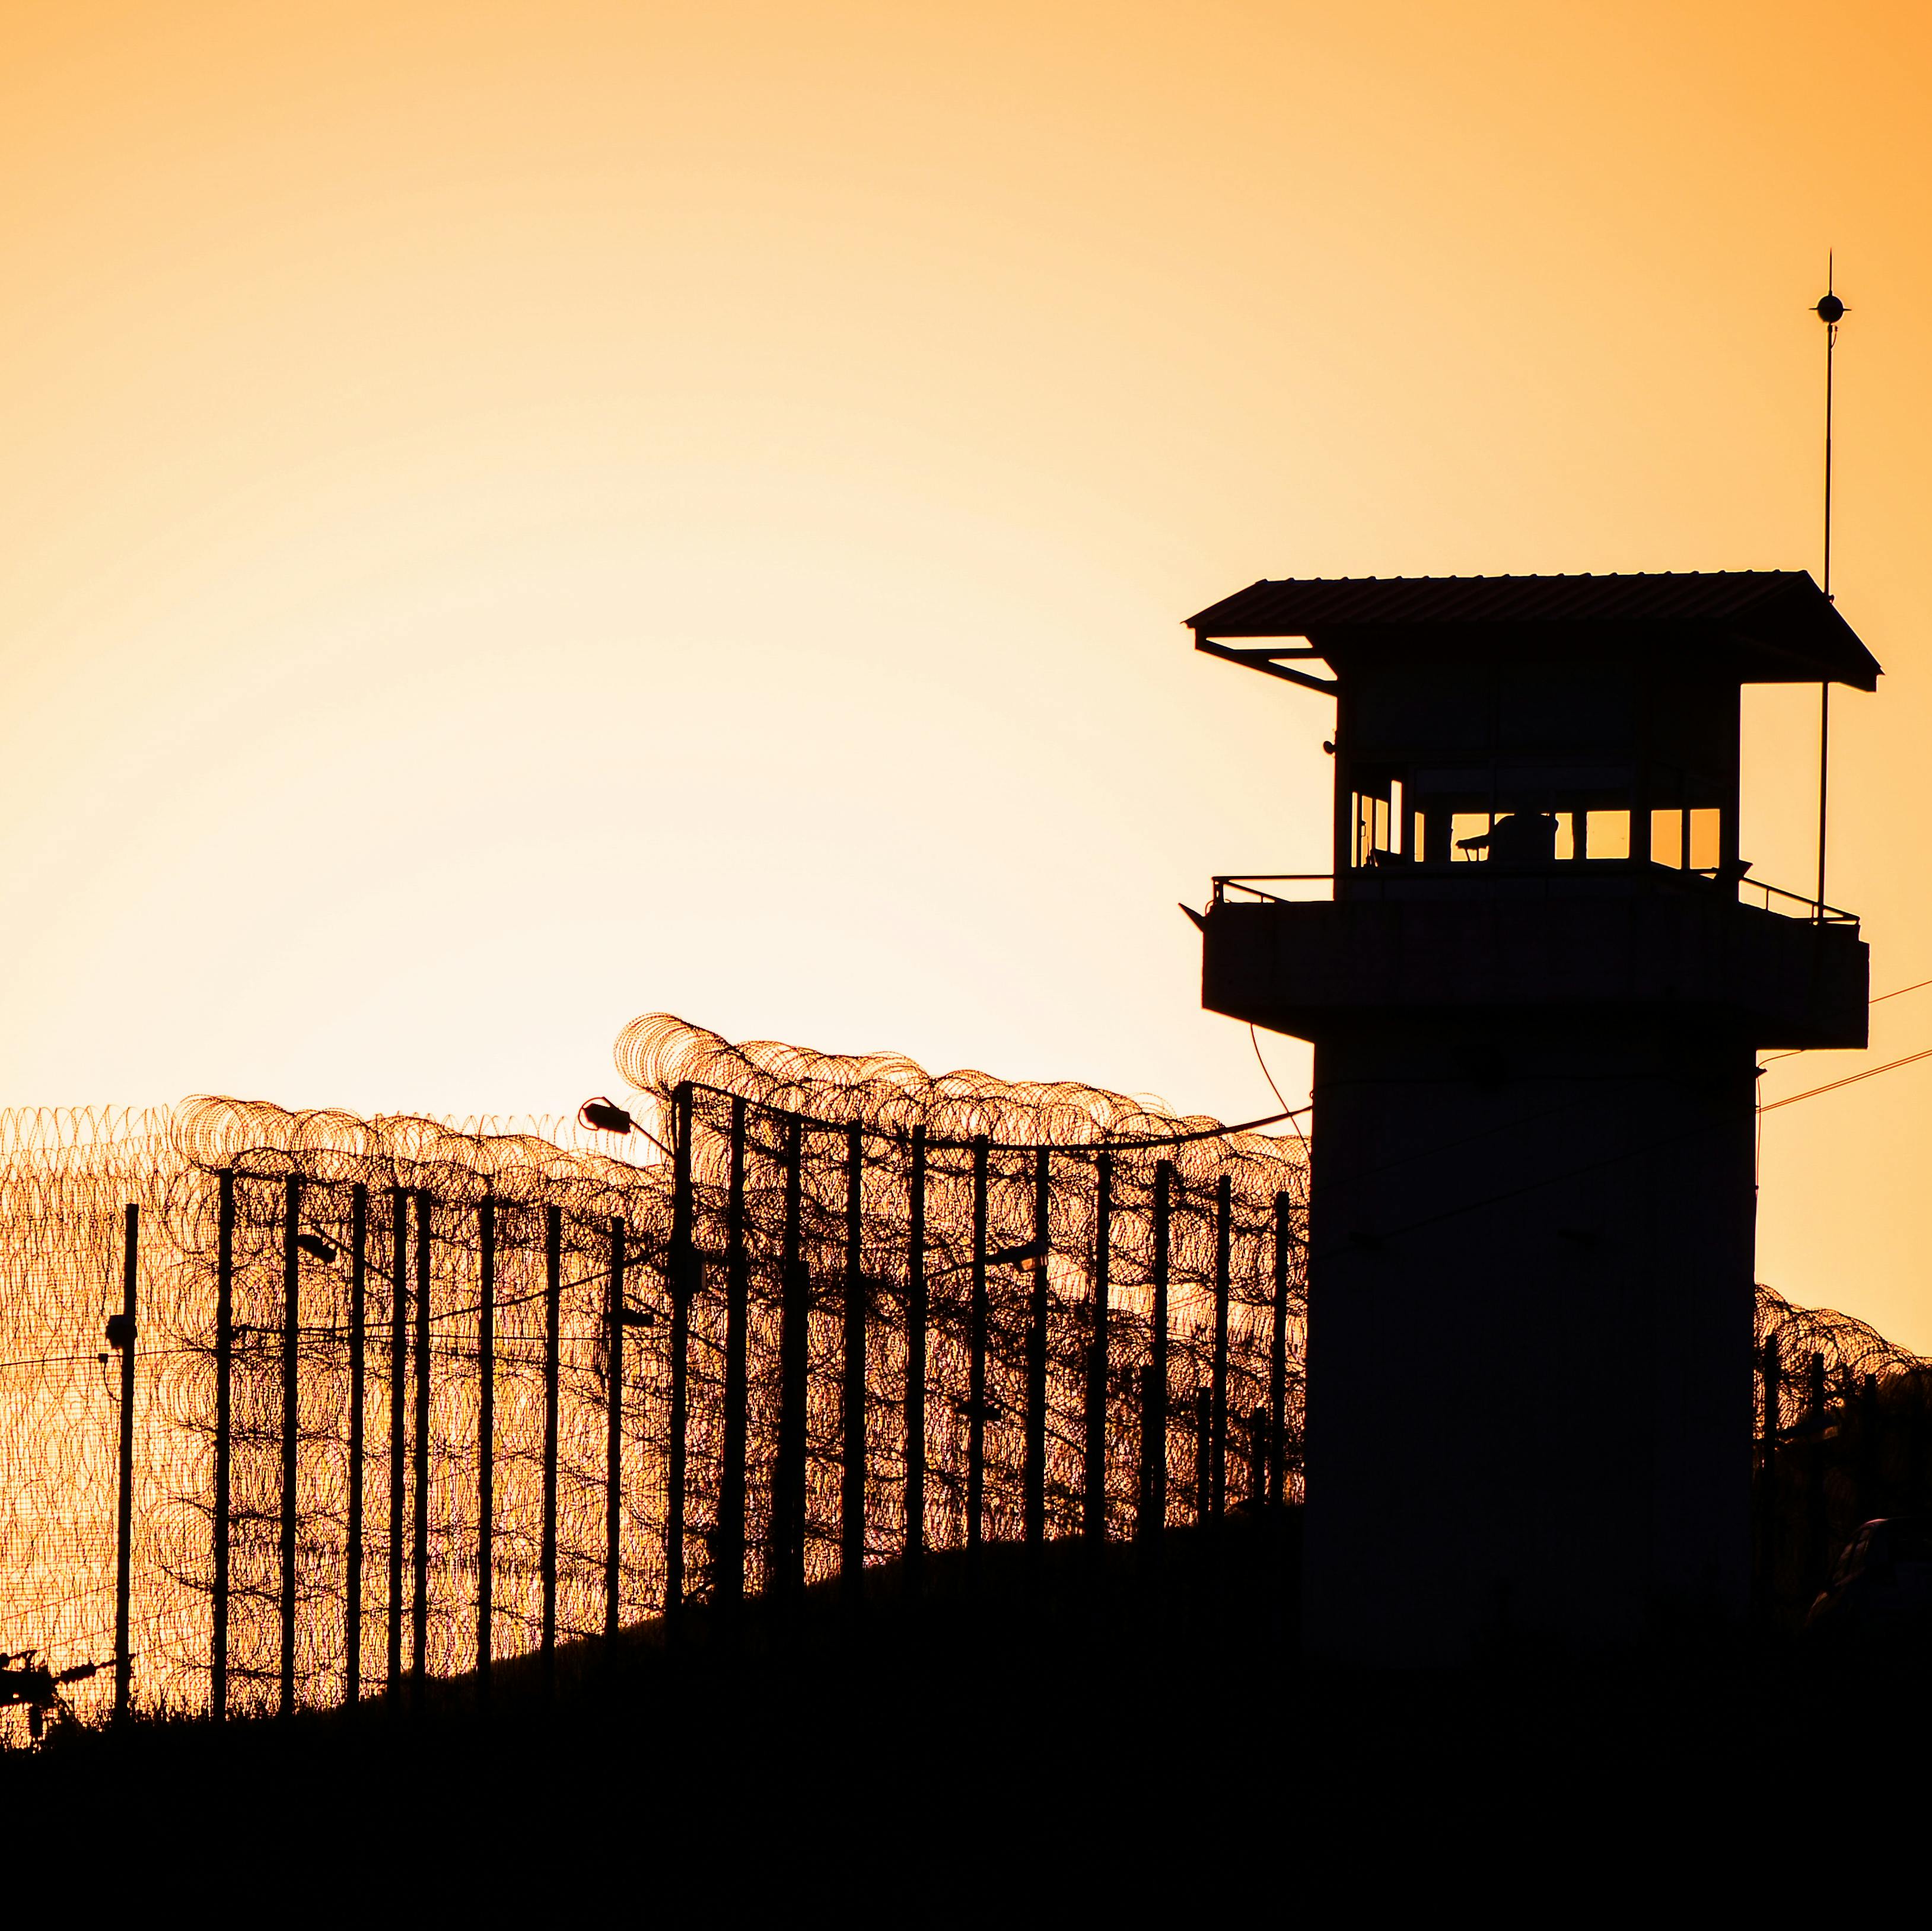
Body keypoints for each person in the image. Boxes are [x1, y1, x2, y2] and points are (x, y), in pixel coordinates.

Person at [1456, 811, 1558, 865]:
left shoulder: (1508, 822)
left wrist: (1468, 843)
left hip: (1506, 866)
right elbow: (1491, 839)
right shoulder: (1546, 823)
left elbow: (1491, 839)